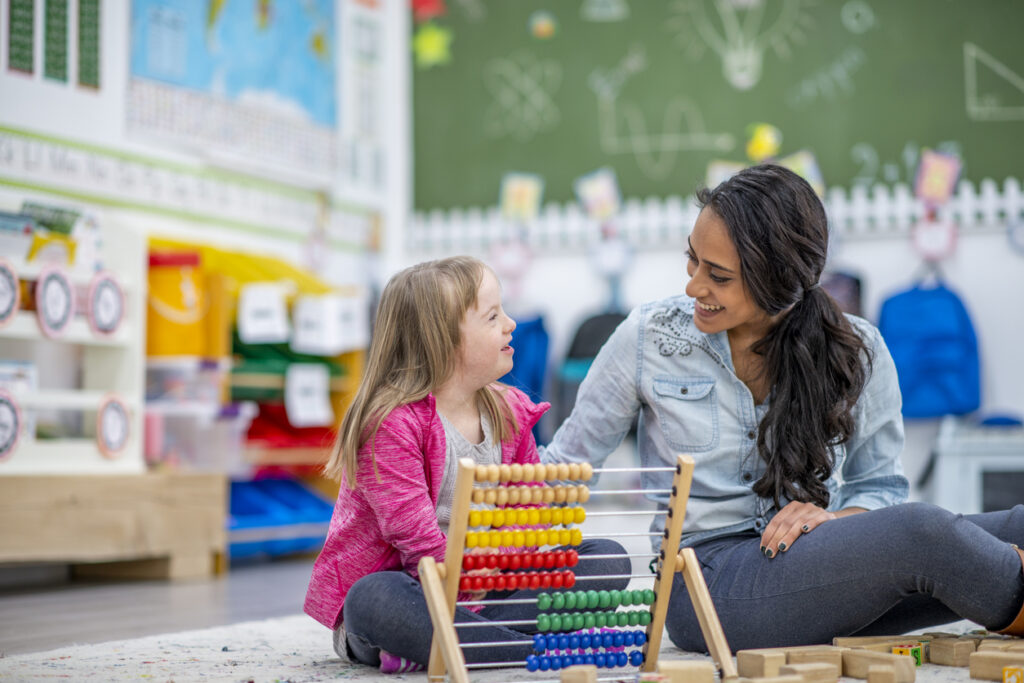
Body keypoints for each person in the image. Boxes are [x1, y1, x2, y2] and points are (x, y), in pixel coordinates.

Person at [541, 164, 1024, 651]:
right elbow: (567, 466)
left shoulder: (859, 349)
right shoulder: (648, 338)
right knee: (926, 534)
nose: (694, 287)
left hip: (817, 570)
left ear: (779, 283)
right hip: (707, 587)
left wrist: (834, 522)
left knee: (1012, 527)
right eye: (693, 260)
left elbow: (880, 489)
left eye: (719, 276)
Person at [304, 256, 630, 673]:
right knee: (371, 598)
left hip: (491, 588)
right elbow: (416, 541)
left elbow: (528, 512)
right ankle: (522, 647)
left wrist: (500, 562)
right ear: (441, 340)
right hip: (415, 589)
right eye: (493, 317)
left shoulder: (510, 412)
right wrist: (472, 580)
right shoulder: (390, 424)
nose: (511, 324)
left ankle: (466, 642)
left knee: (607, 558)